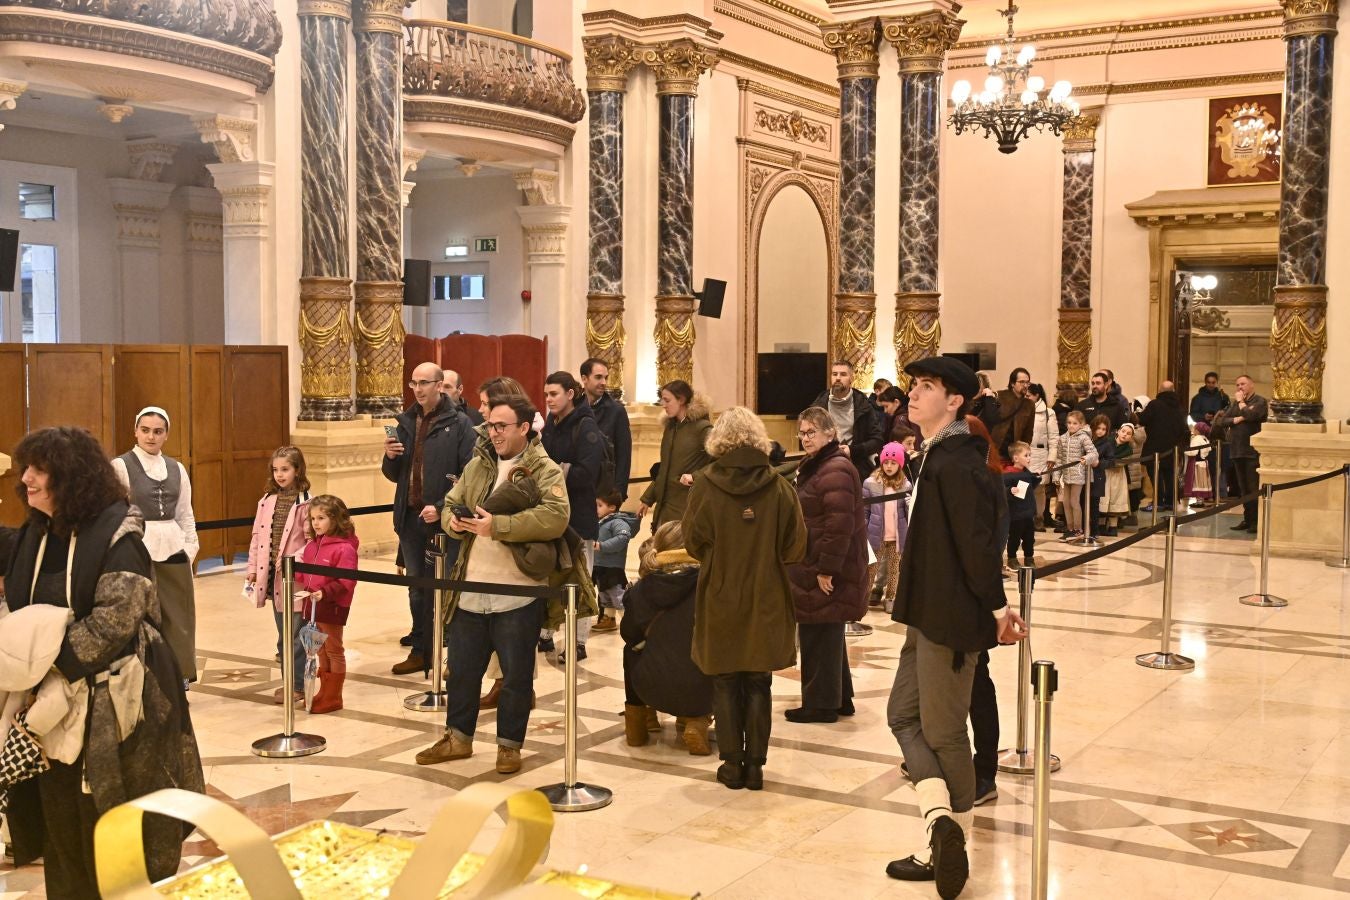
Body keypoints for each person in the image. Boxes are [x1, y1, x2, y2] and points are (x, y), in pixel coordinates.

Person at [5, 426, 204, 897]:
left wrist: (46, 666)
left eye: (39, 470)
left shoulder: (117, 532)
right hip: (49, 706)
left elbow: (118, 618)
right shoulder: (38, 530)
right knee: (59, 821)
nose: (26, 479)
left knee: (110, 822)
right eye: (25, 469)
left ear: (70, 477)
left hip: (113, 705)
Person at [884, 357, 1026, 893]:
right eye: (915, 386)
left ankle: (951, 847)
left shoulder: (959, 463)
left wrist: (997, 608)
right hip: (925, 614)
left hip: (950, 620)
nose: (913, 395)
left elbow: (977, 546)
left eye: (927, 388)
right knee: (902, 715)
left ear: (955, 402)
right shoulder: (936, 457)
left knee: (944, 735)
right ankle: (940, 822)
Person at [416, 395, 570, 775]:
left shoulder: (543, 469)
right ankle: (457, 738)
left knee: (516, 675)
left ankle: (509, 746)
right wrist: (452, 521)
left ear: (524, 427)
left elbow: (555, 517)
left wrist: (497, 527)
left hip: (518, 591)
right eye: (490, 426)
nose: (494, 433)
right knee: (464, 670)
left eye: (502, 426)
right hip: (470, 586)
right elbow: (452, 502)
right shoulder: (478, 464)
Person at [683, 406, 806, 791]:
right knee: (758, 681)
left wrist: (720, 558)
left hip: (720, 591)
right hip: (767, 593)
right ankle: (755, 766)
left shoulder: (704, 484)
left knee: (724, 679)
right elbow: (796, 547)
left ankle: (732, 764)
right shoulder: (780, 487)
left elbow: (692, 540)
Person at [383, 361, 476, 675]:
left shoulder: (460, 423)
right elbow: (395, 475)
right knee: (416, 587)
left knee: (443, 586)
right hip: (409, 518)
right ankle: (421, 650)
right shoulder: (405, 421)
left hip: (442, 520)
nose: (418, 389)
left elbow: (468, 475)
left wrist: (440, 505)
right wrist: (390, 457)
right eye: (414, 383)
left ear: (440, 385)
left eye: (425, 383)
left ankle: (445, 650)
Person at [785, 406, 868, 725]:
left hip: (824, 566)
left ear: (830, 433)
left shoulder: (834, 468)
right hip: (816, 561)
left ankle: (820, 705)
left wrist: (826, 570)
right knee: (827, 630)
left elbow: (839, 525)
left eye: (812, 432)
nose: (805, 438)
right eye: (802, 433)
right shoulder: (822, 464)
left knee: (818, 631)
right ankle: (840, 698)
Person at [111, 406, 199, 686]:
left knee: (178, 615)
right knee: (141, 615)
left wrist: (189, 549)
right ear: (135, 431)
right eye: (145, 430)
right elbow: (115, 513)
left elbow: (186, 513)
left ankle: (179, 673)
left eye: (157, 431)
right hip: (138, 548)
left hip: (173, 547)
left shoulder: (177, 469)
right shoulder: (121, 466)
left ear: (166, 434)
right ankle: (142, 675)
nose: (151, 436)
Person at [621, 520, 714, 755]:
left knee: (631, 651)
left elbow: (628, 634)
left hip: (649, 688)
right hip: (700, 688)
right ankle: (696, 721)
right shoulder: (710, 584)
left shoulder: (641, 588)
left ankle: (638, 722)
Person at [541, 370, 606, 660]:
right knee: (550, 576)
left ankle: (577, 642)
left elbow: (587, 472)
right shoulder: (552, 425)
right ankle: (546, 633)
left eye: (553, 394)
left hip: (579, 516)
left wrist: (553, 473)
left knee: (580, 580)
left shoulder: (586, 426)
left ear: (570, 394)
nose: (549, 399)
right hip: (552, 514)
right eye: (546, 394)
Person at [246, 446, 312, 705]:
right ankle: (288, 681)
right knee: (283, 634)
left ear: (297, 470)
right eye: (276, 470)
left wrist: (295, 562)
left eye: (285, 469)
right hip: (273, 579)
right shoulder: (267, 500)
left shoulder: (306, 502)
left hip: (296, 580)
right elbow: (256, 538)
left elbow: (311, 542)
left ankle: (297, 685)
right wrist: (252, 569)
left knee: (297, 635)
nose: (280, 475)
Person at [296, 495, 359, 714]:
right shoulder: (312, 546)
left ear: (336, 519)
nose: (315, 523)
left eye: (321, 518)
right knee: (320, 650)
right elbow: (307, 575)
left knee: (333, 649)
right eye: (313, 518)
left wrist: (325, 592)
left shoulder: (344, 549)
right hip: (313, 605)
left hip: (332, 606)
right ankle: (324, 691)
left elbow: (347, 580)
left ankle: (334, 696)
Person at [638, 380, 712, 530]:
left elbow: (721, 462)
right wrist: (647, 498)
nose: (663, 404)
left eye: (667, 400)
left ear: (682, 400)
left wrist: (695, 476)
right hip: (664, 506)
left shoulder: (703, 428)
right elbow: (664, 470)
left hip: (687, 506)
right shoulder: (670, 428)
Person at [1213, 374, 1268, 533]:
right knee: (1243, 489)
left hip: (1252, 451)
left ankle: (1256, 522)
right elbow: (1222, 421)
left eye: (1243, 384)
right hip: (1237, 450)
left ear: (1251, 385)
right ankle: (1247, 518)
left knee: (1252, 488)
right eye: (1237, 385)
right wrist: (1238, 419)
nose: (1239, 387)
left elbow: (1253, 415)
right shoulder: (1235, 404)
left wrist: (1241, 404)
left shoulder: (1259, 401)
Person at [812, 360, 884, 477]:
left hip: (856, 465)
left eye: (843, 374)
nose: (838, 378)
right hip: (824, 464)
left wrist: (852, 451)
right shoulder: (819, 405)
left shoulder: (863, 405)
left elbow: (877, 440)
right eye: (834, 374)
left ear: (851, 378)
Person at [864, 442, 909, 613]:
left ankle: (890, 597)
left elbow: (907, 512)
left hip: (896, 537)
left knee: (894, 569)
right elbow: (865, 510)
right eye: (886, 462)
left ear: (900, 464)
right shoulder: (870, 483)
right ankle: (865, 596)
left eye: (893, 463)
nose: (889, 466)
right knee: (871, 569)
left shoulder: (906, 485)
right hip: (876, 535)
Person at [581, 357, 632, 499]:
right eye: (598, 377)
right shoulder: (573, 407)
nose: (603, 382)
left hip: (604, 490)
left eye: (605, 378)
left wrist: (619, 493)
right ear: (584, 378)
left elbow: (624, 456)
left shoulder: (616, 411)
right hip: (576, 487)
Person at [1138, 380, 1190, 513]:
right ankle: (1170, 502)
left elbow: (1143, 420)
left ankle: (1159, 502)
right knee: (1170, 474)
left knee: (1155, 475)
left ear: (1160, 390)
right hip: (1173, 448)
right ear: (1173, 391)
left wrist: (1138, 413)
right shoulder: (1180, 407)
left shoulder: (1154, 404)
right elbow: (1184, 428)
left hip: (1155, 447)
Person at [591, 490, 637, 633]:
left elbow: (623, 538)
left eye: (599, 505)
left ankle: (630, 622)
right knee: (604, 593)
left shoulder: (617, 522)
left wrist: (601, 546)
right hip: (599, 566)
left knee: (618, 595)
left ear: (612, 507)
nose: (595, 509)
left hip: (613, 567)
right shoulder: (600, 522)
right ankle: (609, 619)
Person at [1054, 412, 1098, 542]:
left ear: (1081, 424)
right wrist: (1057, 475)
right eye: (1069, 423)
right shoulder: (1062, 438)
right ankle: (1070, 528)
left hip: (1078, 474)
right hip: (1066, 475)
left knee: (1074, 501)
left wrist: (1087, 458)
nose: (1071, 426)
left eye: (1075, 423)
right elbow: (1059, 458)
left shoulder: (1084, 437)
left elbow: (1093, 453)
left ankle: (1078, 529)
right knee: (1066, 502)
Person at [1025, 383, 1058, 530]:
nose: (1026, 398)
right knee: (1022, 486)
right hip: (1023, 453)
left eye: (1028, 395)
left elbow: (1053, 437)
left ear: (1036, 396)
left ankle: (1038, 518)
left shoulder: (1048, 412)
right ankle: (1023, 517)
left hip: (1040, 453)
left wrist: (1052, 456)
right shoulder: (1021, 409)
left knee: (1039, 488)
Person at [1003, 442, 1040, 567]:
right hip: (1016, 514)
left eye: (1030, 455)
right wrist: (1009, 490)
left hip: (1028, 512)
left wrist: (1036, 478)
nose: (1029, 458)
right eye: (1026, 455)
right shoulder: (1008, 474)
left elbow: (1031, 488)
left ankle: (1029, 557)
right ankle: (1012, 558)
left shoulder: (1026, 473)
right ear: (1016, 458)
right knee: (1014, 537)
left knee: (1029, 538)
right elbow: (1001, 489)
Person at [988, 368, 1036, 462]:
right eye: (1022, 382)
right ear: (1012, 383)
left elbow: (1028, 432)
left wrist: (1022, 452)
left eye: (1027, 382)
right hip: (994, 449)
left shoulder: (1029, 405)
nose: (1025, 385)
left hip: (1013, 453)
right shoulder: (999, 396)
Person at [1089, 415, 1117, 536]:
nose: (1100, 431)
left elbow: (1111, 461)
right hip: (1083, 476)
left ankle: (1094, 531)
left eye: (1103, 429)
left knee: (1094, 505)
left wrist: (1099, 463)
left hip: (1097, 476)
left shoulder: (1107, 443)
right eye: (1098, 428)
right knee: (1082, 503)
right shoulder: (1086, 439)